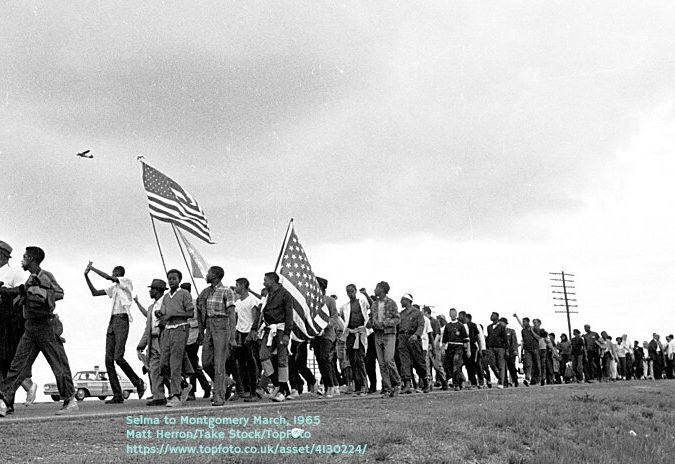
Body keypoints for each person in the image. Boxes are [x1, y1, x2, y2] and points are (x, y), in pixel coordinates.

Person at [0, 247, 78, 416]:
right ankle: (4, 400)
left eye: (25, 257)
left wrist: (41, 292)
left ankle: (70, 400)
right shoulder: (29, 279)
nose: (22, 260)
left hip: (46, 327)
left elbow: (59, 293)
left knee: (58, 364)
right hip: (30, 327)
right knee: (17, 366)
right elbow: (26, 295)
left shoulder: (45, 275)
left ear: (33, 259)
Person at [84, 262, 146, 403]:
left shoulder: (126, 282)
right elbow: (95, 292)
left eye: (113, 273)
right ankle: (117, 395)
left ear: (118, 274)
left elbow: (107, 277)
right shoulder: (114, 289)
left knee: (118, 357)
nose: (112, 275)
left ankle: (137, 382)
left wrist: (93, 268)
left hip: (122, 320)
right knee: (108, 360)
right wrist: (86, 276)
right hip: (112, 321)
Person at [0, 240, 38, 407]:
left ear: (3, 256)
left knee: (7, 360)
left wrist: (3, 290)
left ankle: (9, 401)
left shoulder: (13, 273)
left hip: (7, 322)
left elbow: (23, 291)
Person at [196, 266, 236, 406]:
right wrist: (201, 333)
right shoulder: (206, 292)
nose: (206, 275)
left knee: (219, 362)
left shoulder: (226, 291)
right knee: (206, 362)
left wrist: (232, 335)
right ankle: (226, 382)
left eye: (209, 273)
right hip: (209, 325)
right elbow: (201, 312)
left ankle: (219, 395)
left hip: (221, 324)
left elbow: (231, 313)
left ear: (216, 275)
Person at [156, 269, 194, 407]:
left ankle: (175, 395)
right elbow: (165, 313)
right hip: (168, 329)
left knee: (175, 363)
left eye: (174, 278)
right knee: (163, 364)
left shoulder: (184, 294)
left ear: (179, 280)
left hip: (180, 328)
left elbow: (190, 312)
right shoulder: (166, 297)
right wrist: (160, 314)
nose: (171, 281)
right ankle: (183, 385)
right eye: (169, 278)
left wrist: (174, 314)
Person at [257, 272, 294, 402]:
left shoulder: (285, 295)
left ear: (272, 281)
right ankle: (279, 385)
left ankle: (283, 390)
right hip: (269, 329)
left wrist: (287, 334)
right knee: (263, 356)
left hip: (280, 330)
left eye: (265, 280)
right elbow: (262, 312)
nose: (263, 283)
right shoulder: (268, 295)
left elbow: (290, 315)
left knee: (282, 360)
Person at [136, 279, 170, 406]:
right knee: (154, 369)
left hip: (165, 338)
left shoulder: (167, 303)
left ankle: (180, 388)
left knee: (168, 367)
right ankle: (159, 396)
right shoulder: (151, 308)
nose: (150, 291)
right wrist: (142, 344)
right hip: (153, 340)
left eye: (152, 289)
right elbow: (148, 327)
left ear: (158, 290)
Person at [366, 281, 401, 398]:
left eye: (376, 288)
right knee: (381, 363)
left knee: (388, 359)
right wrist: (370, 323)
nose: (374, 290)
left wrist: (384, 324)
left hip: (389, 334)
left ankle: (397, 383)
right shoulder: (374, 304)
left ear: (381, 289)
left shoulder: (391, 303)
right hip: (377, 334)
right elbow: (371, 317)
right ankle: (387, 388)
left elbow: (397, 319)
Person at [180, 282, 211, 401]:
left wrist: (200, 335)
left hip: (194, 334)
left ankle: (192, 391)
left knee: (191, 364)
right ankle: (205, 386)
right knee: (189, 364)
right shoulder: (179, 303)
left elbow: (200, 319)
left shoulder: (195, 302)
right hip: (183, 336)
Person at [232, 278, 261, 400]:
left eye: (237, 285)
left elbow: (255, 318)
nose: (236, 287)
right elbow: (238, 319)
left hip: (250, 333)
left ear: (243, 286)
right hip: (240, 333)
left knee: (251, 363)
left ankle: (253, 391)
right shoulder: (238, 302)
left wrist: (253, 332)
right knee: (241, 363)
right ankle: (245, 389)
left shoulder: (252, 300)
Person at [340, 284, 369, 395]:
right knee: (352, 360)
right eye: (348, 291)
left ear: (355, 291)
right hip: (350, 334)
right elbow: (339, 317)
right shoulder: (345, 306)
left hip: (360, 333)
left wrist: (365, 294)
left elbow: (372, 305)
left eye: (352, 291)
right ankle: (357, 386)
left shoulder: (362, 303)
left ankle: (363, 385)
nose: (350, 293)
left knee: (359, 360)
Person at [314, 277, 341, 398]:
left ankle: (330, 385)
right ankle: (327, 385)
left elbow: (334, 316)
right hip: (316, 335)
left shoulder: (330, 301)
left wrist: (325, 323)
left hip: (328, 334)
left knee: (324, 358)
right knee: (320, 361)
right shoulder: (312, 300)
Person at [397, 294, 428, 394]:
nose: (401, 302)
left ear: (408, 300)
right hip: (402, 338)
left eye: (403, 300)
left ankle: (425, 381)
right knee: (404, 362)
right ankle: (407, 385)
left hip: (413, 339)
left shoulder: (417, 313)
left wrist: (416, 335)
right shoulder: (401, 314)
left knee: (418, 361)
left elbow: (421, 325)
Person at [441, 308, 469, 390]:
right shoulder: (448, 326)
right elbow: (444, 339)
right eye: (451, 313)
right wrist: (442, 348)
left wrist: (468, 350)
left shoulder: (460, 325)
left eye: (454, 313)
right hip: (450, 347)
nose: (452, 315)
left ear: (456, 314)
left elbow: (466, 339)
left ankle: (456, 384)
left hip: (459, 347)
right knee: (449, 365)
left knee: (456, 364)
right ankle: (461, 380)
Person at [514, 314, 540, 386]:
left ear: (528, 322)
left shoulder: (534, 328)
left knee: (537, 365)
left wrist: (532, 331)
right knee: (528, 364)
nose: (523, 323)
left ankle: (537, 379)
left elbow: (538, 338)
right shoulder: (523, 330)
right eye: (523, 322)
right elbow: (524, 340)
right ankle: (527, 379)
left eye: (525, 321)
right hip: (527, 349)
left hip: (535, 348)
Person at [486, 312, 507, 389]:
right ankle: (500, 378)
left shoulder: (501, 327)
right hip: (491, 348)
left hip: (500, 348)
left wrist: (506, 349)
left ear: (497, 317)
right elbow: (489, 337)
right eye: (491, 315)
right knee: (492, 364)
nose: (491, 316)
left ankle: (501, 382)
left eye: (493, 315)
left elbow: (505, 338)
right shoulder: (489, 327)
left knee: (501, 365)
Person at [503, 318, 519, 387]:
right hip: (502, 352)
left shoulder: (511, 331)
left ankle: (515, 380)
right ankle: (505, 382)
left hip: (511, 352)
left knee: (512, 367)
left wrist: (515, 350)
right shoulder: (498, 332)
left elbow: (514, 341)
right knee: (503, 368)